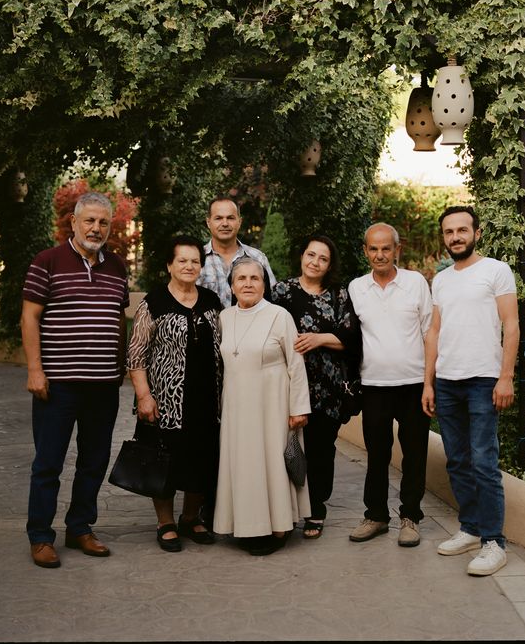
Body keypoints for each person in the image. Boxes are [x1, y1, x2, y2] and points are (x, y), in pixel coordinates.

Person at [22, 191, 130, 568]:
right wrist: (36, 369)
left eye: (103, 222)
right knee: (48, 462)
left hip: (103, 385)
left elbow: (119, 319)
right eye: (90, 221)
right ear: (74, 222)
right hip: (59, 384)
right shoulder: (47, 261)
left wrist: (119, 368)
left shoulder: (117, 267)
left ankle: (80, 527)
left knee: (94, 460)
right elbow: (30, 317)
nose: (96, 228)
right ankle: (40, 536)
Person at [422, 205, 519, 576]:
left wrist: (505, 376)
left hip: (483, 380)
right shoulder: (442, 280)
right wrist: (429, 382)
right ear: (444, 237)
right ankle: (471, 528)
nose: (456, 237)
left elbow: (511, 326)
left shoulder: (496, 270)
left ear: (476, 233)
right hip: (447, 381)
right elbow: (434, 332)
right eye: (449, 232)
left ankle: (494, 542)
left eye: (462, 230)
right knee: (458, 461)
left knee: (483, 461)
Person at [127, 235, 223, 552]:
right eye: (182, 260)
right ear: (170, 265)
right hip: (166, 401)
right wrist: (144, 395)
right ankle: (165, 522)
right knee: (165, 460)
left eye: (194, 261)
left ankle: (190, 518)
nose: (188, 266)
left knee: (203, 460)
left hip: (208, 400)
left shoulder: (211, 301)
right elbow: (136, 355)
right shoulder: (153, 302)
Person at [213, 257, 311, 556]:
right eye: (240, 278)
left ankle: (279, 526)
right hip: (236, 408)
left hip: (273, 405)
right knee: (243, 466)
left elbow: (296, 364)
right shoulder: (225, 317)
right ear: (231, 285)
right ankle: (246, 525)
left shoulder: (279, 315)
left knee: (272, 464)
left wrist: (298, 408)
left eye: (254, 278)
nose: (247, 284)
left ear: (264, 283)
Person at [347, 223, 432, 547]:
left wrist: (429, 384)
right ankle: (376, 516)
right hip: (374, 385)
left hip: (413, 384)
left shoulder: (416, 284)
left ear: (397, 250)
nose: (380, 254)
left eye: (386, 248)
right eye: (373, 248)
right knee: (377, 454)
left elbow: (429, 334)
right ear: (366, 251)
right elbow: (350, 336)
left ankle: (410, 517)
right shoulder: (356, 288)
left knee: (415, 454)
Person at [272, 234, 361, 540]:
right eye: (311, 255)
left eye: (323, 258)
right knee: (287, 448)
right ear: (302, 256)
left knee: (321, 450)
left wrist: (320, 338)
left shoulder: (338, 294)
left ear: (329, 264)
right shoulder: (282, 291)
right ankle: (284, 508)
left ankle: (315, 509)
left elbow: (351, 338)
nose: (315, 262)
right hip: (287, 386)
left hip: (328, 390)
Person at [198, 195, 276, 307]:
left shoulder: (257, 258)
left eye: (230, 218)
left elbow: (271, 298)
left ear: (239, 222)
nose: (225, 223)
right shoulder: (197, 259)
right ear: (208, 222)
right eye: (218, 218)